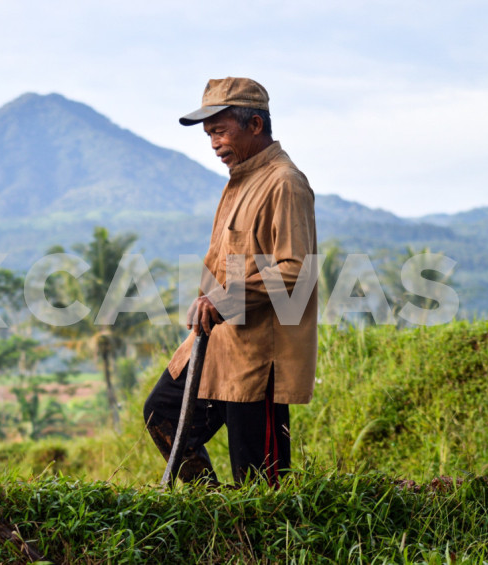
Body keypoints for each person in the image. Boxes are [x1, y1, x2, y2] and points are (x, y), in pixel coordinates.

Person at [143, 77, 318, 487]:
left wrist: (222, 301)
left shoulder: (284, 182)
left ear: (255, 125)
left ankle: (259, 545)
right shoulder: (241, 180)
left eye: (220, 131)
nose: (214, 144)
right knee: (162, 414)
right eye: (209, 135)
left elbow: (296, 269)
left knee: (260, 482)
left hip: (260, 359)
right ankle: (213, 507)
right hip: (218, 344)